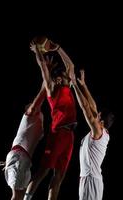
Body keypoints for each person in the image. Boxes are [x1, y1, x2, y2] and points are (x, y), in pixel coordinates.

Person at [24, 37, 77, 200]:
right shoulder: (52, 90)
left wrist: (58, 48)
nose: (68, 78)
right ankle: (26, 198)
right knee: (42, 172)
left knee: (59, 177)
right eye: (64, 76)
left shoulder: (67, 87)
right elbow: (43, 69)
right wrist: (38, 52)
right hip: (57, 134)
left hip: (69, 136)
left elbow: (71, 65)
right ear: (58, 78)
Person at [71, 70, 115, 200]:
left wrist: (74, 84)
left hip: (90, 180)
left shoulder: (98, 131)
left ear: (101, 122)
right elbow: (92, 106)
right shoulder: (102, 131)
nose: (96, 114)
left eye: (98, 116)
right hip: (91, 179)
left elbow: (85, 107)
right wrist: (83, 85)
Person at [1, 84, 46, 200]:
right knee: (17, 195)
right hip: (19, 156)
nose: (35, 105)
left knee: (20, 195)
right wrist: (46, 78)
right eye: (32, 105)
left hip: (20, 156)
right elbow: (40, 95)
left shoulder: (38, 123)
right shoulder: (29, 115)